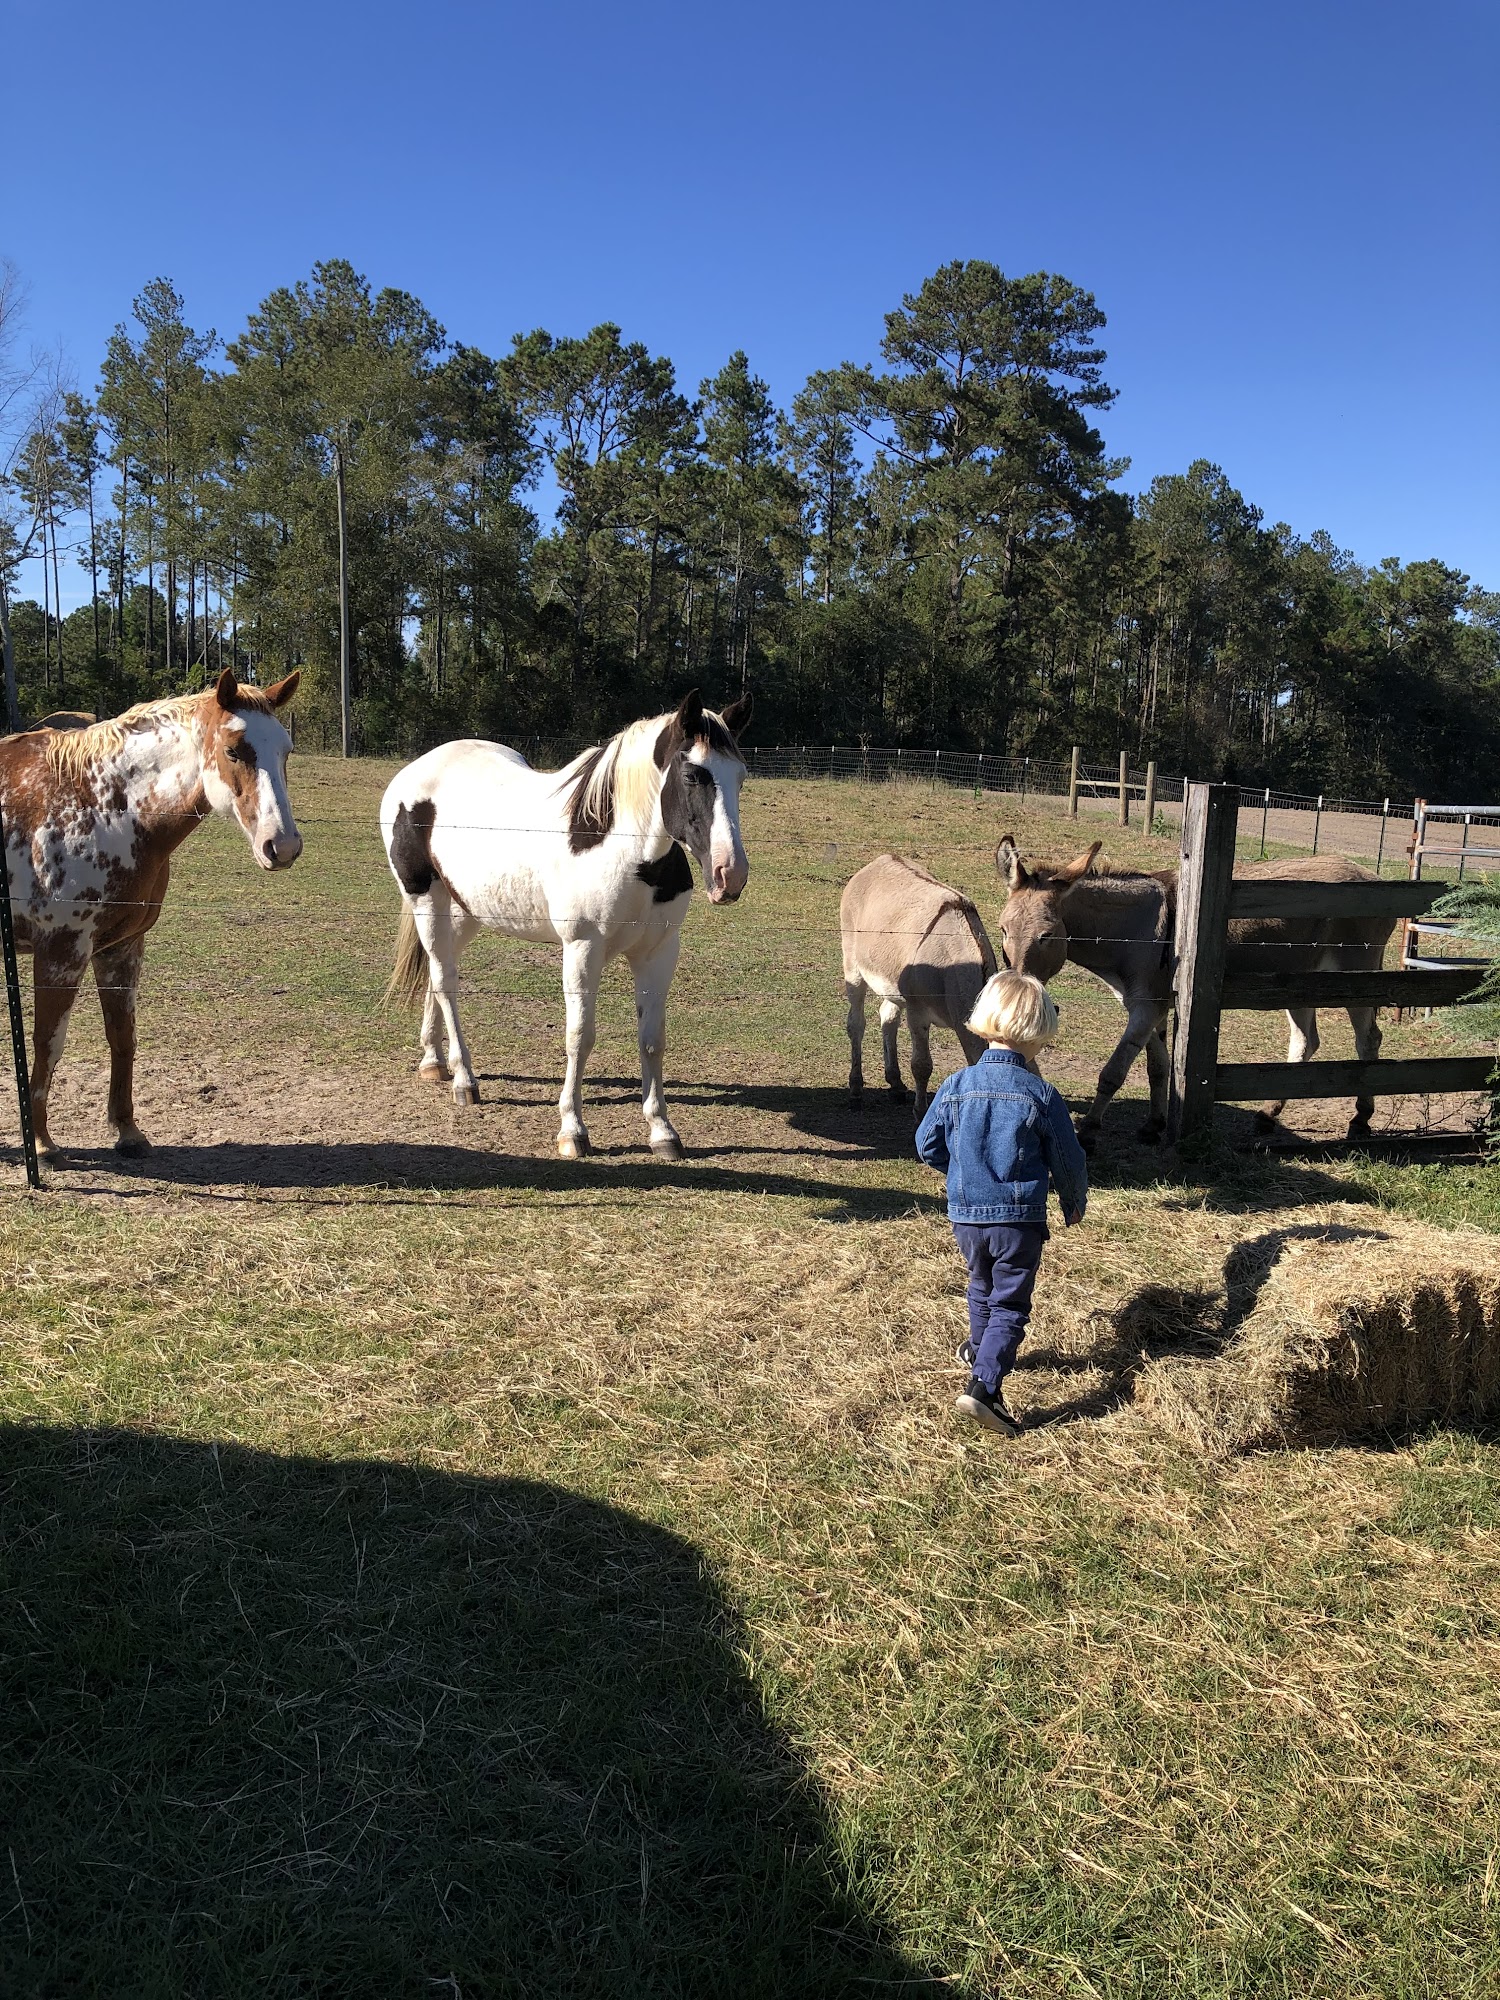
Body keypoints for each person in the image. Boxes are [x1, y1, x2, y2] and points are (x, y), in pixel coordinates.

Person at [914, 970, 1089, 1438]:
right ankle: (985, 1387)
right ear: (1037, 1032)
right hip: (1018, 1219)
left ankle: (980, 1348)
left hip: (965, 1217)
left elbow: (927, 1144)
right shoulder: (1041, 1094)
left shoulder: (955, 1084)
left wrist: (961, 1174)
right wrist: (1073, 1200)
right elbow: (1068, 1158)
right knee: (1010, 1302)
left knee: (981, 1284)